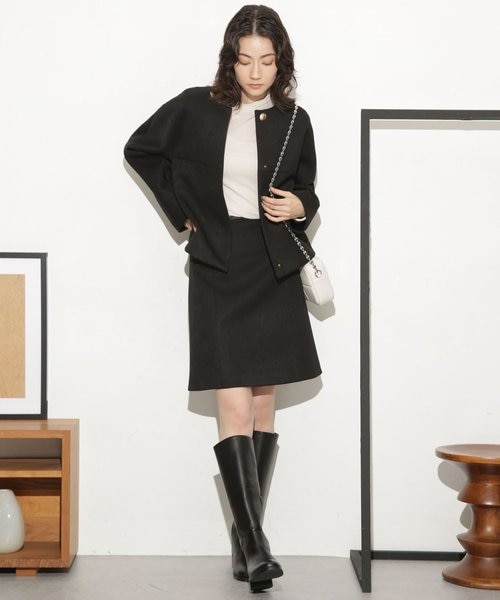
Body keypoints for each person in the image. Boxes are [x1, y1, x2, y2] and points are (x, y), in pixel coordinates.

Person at [124, 4, 322, 592]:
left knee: (262, 406)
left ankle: (243, 544)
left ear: (281, 63)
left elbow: (307, 188)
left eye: (267, 61)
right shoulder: (196, 107)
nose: (255, 72)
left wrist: (302, 205)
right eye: (245, 60)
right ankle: (258, 545)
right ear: (229, 60)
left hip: (273, 267)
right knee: (233, 402)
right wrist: (179, 210)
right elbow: (140, 148)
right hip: (218, 264)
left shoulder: (295, 119)